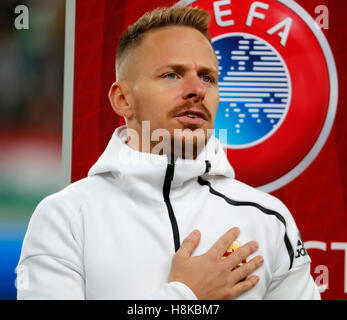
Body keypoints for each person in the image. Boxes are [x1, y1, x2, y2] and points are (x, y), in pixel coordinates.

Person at [17, 5, 320, 300]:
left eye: (207, 77)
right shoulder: (66, 217)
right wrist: (185, 296)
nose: (196, 90)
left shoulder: (267, 218)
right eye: (172, 75)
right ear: (123, 99)